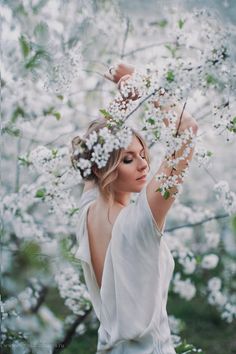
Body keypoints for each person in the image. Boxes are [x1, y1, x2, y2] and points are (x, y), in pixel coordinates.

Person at [71, 63, 198, 353]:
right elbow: (187, 129)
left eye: (142, 154)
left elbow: (96, 149)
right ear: (105, 167)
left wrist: (127, 96)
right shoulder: (142, 219)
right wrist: (139, 81)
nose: (144, 164)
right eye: (128, 159)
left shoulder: (87, 209)